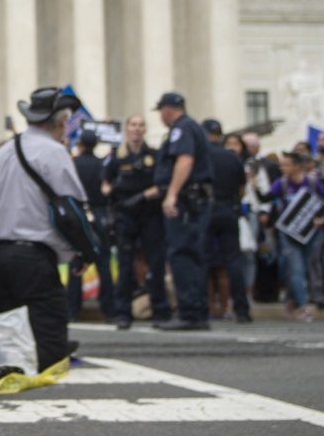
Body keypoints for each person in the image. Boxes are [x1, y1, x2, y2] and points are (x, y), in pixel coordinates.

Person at [0, 86, 87, 369]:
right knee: (49, 330)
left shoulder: (5, 150)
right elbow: (73, 205)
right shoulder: (53, 151)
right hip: (32, 254)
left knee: (10, 321)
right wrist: (83, 249)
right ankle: (22, 366)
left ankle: (6, 364)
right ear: (62, 123)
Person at [151, 93, 214, 331]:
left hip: (187, 202)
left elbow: (184, 160)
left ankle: (190, 312)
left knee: (182, 254)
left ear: (168, 110)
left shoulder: (182, 128)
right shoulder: (192, 127)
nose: (160, 117)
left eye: (161, 112)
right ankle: (196, 311)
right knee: (192, 254)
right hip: (194, 201)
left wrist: (172, 194)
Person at [105, 114, 165, 328]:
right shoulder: (117, 156)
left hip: (149, 214)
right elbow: (105, 183)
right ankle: (123, 313)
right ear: (127, 129)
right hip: (125, 215)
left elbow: (161, 182)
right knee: (125, 265)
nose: (137, 129)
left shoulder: (154, 155)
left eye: (141, 125)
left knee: (155, 263)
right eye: (133, 125)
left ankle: (160, 311)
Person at [269, 151, 324, 321]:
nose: (282, 168)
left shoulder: (312, 182)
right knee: (296, 269)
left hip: (311, 233)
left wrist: (321, 218)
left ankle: (291, 299)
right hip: (288, 233)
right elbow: (268, 198)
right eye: (281, 165)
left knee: (306, 266)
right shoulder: (281, 183)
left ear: (297, 166)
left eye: (286, 164)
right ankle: (303, 306)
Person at [66, 129, 116, 324]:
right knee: (104, 263)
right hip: (99, 214)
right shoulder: (101, 165)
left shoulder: (73, 164)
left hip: (79, 215)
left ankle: (72, 310)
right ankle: (109, 309)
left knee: (76, 264)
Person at [203, 120, 251, 323]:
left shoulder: (200, 156)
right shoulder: (232, 158)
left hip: (207, 210)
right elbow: (242, 187)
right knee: (233, 261)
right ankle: (241, 308)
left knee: (203, 261)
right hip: (229, 209)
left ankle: (204, 307)